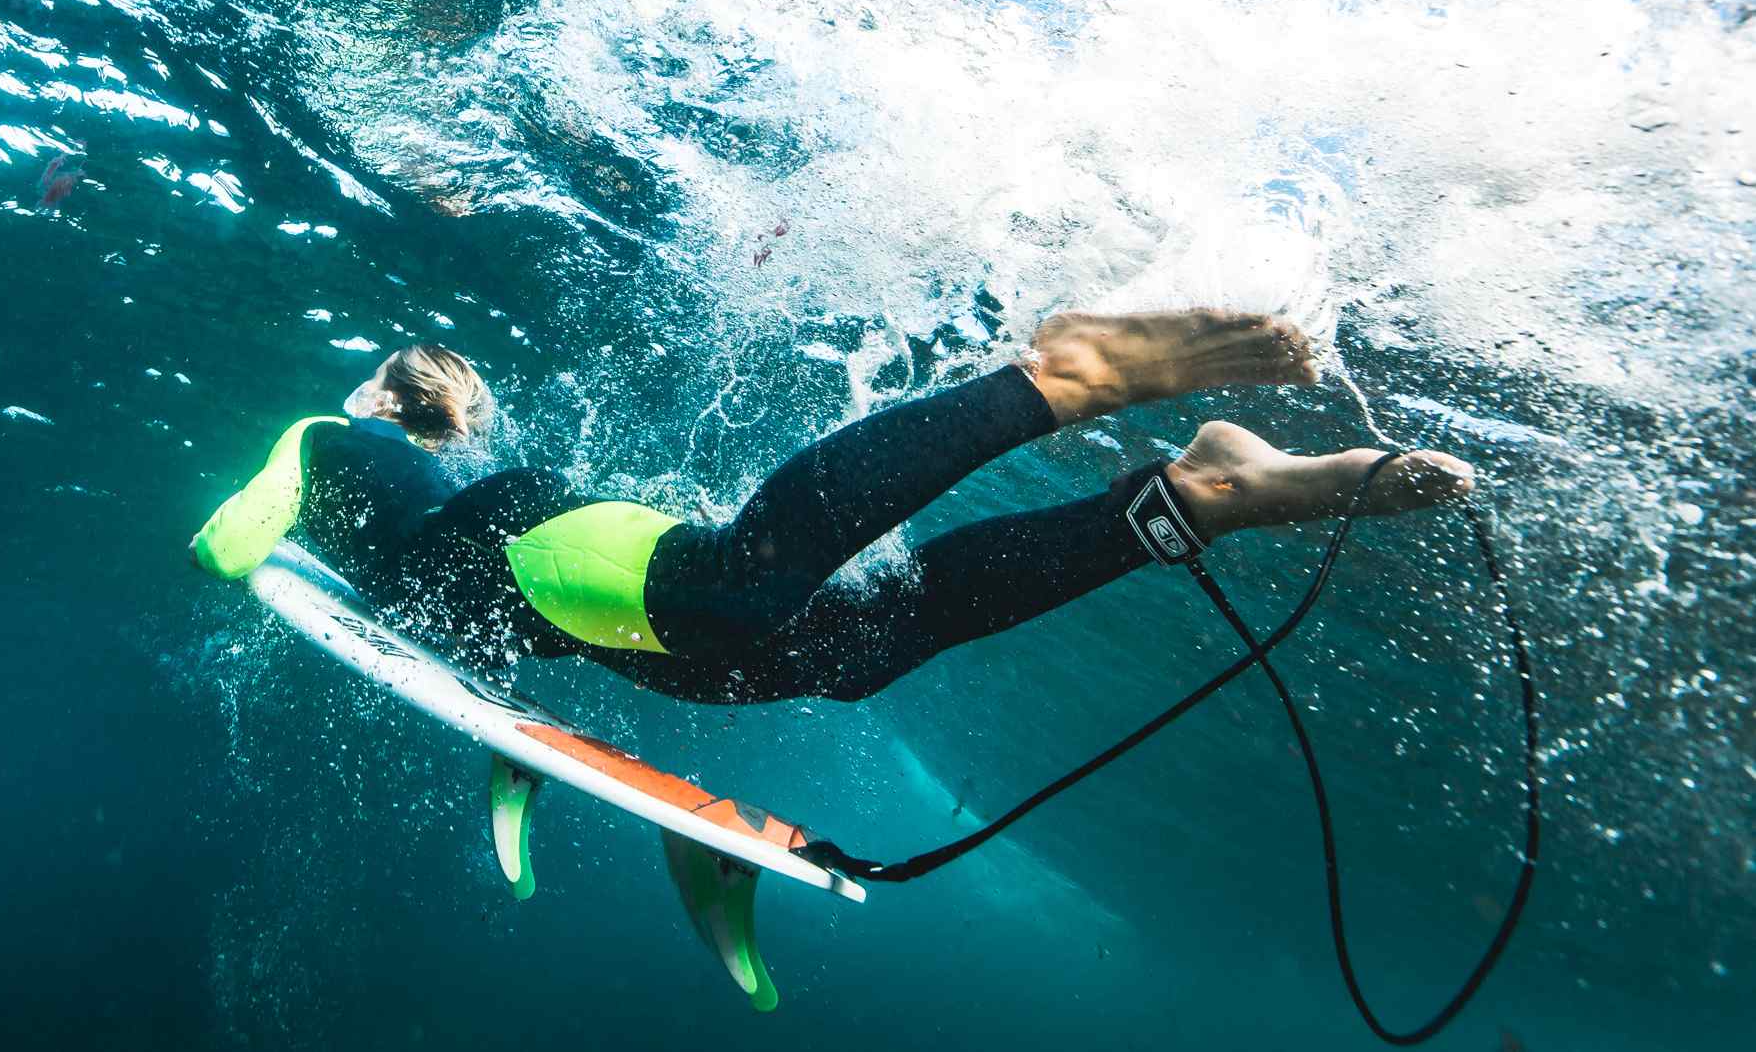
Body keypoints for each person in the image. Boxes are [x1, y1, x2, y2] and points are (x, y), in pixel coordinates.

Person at [190, 312, 1472, 704]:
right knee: (860, 644)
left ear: (376, 392)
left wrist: (273, 564)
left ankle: (1058, 375)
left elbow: (227, 540)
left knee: (743, 582)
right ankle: (1193, 496)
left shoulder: (319, 434)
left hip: (563, 564)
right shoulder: (440, 462)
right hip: (584, 606)